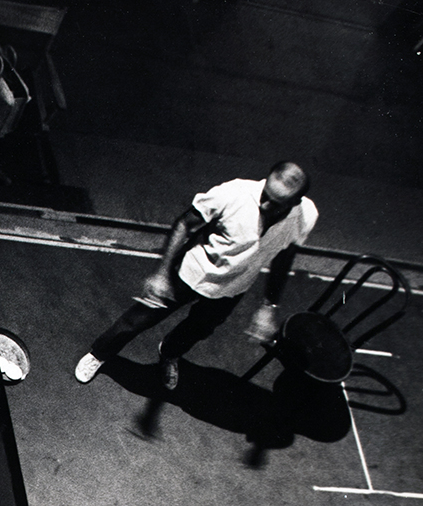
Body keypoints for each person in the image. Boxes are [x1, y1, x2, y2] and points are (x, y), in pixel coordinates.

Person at [74, 162, 317, 390]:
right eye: (266, 196)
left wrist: (269, 306)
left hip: (232, 289)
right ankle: (99, 353)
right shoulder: (232, 193)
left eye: (276, 204)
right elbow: (184, 224)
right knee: (137, 320)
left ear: (296, 202)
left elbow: (284, 256)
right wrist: (162, 273)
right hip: (189, 274)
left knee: (196, 331)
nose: (265, 206)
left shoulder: (306, 216)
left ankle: (169, 353)